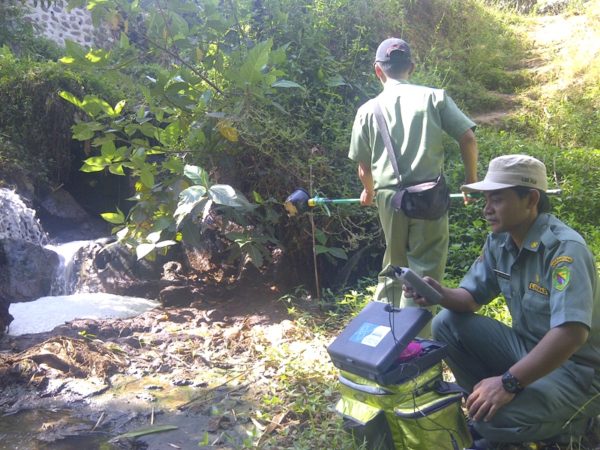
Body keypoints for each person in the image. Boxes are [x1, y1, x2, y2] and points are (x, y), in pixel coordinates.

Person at [408, 154, 600, 446]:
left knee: (496, 419)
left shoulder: (565, 250)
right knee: (446, 322)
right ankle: (490, 407)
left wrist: (508, 382)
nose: (487, 209)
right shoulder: (500, 241)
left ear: (531, 199)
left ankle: (576, 426)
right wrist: (439, 293)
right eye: (486, 200)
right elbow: (470, 299)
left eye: (496, 199)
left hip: (578, 373)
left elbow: (571, 334)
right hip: (527, 351)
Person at [347, 37, 479, 333]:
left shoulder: (368, 109)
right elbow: (468, 137)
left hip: (389, 199)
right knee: (425, 274)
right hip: (429, 197)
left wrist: (368, 191)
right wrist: (471, 182)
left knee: (393, 266)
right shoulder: (435, 97)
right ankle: (417, 346)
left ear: (377, 71)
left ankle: (382, 339)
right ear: (412, 67)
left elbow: (363, 167)